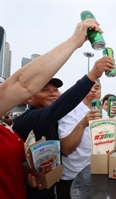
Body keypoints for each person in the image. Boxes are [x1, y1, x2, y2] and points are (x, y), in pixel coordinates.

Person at [0, 18, 102, 199]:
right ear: (29, 97)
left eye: (55, 89)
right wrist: (92, 75)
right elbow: (57, 109)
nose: (53, 93)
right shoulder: (27, 119)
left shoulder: (53, 121)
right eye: (45, 89)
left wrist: (28, 174)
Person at [56, 80, 108, 199]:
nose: (93, 90)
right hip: (73, 177)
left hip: (98, 175)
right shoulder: (70, 111)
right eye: (89, 87)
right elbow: (65, 148)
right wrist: (82, 124)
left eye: (97, 87)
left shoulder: (104, 114)